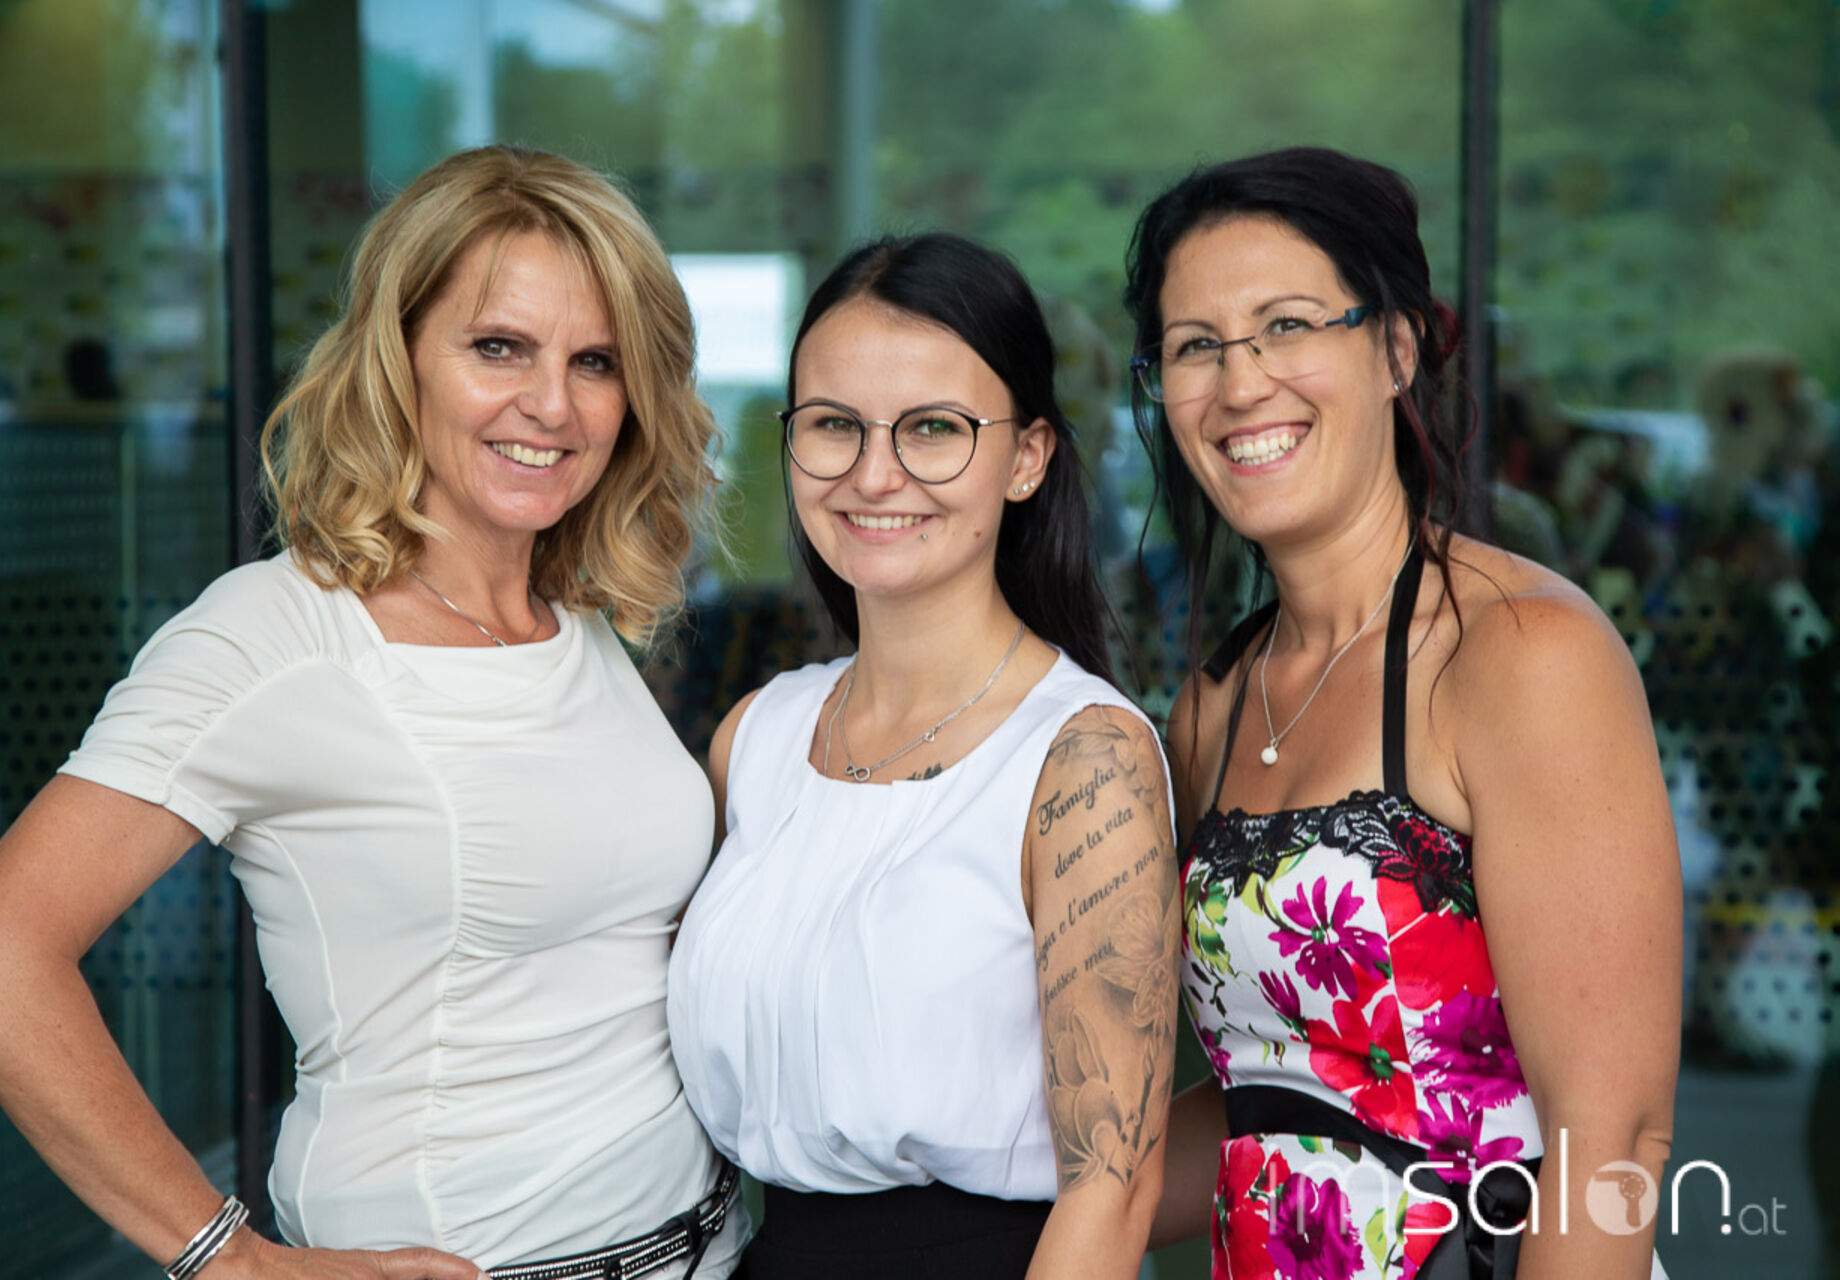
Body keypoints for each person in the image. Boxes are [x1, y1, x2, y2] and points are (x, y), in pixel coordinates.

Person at [0, 145, 744, 1280]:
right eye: (498, 347)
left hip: (705, 1245)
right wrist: (229, 1258)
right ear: (398, 359)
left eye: (594, 361)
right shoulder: (278, 634)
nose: (552, 404)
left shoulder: (574, 620)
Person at [1124, 149, 1680, 1279]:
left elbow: (1613, 1135)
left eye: (1287, 325)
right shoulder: (1212, 707)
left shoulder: (1520, 654)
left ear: (1395, 348)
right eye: (1195, 346)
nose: (1240, 385)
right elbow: (1273, 1102)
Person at [665, 233, 1178, 1279]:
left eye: (934, 428)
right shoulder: (757, 736)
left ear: (1028, 456)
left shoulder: (1084, 759)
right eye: (834, 425)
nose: (874, 473)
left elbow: (1113, 1190)